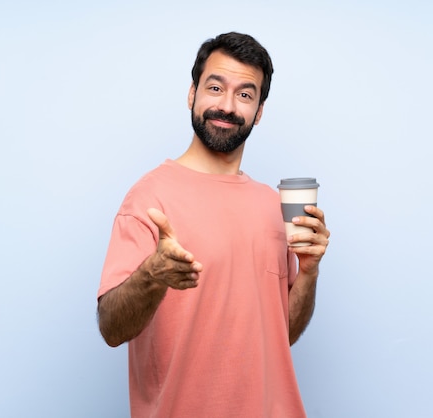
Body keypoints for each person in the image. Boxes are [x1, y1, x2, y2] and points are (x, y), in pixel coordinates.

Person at [97, 32, 330, 418]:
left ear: (259, 111)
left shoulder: (272, 205)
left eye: (244, 94)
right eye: (215, 87)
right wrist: (151, 275)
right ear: (192, 94)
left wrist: (308, 271)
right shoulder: (149, 198)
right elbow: (111, 328)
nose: (226, 105)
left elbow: (279, 335)